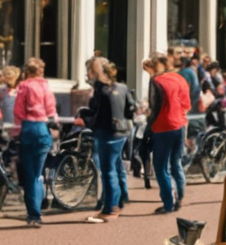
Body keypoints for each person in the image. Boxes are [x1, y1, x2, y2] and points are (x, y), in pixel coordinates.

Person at [82, 58, 135, 222]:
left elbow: (96, 112)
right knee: (116, 167)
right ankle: (114, 203)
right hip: (122, 132)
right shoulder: (123, 87)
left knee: (108, 171)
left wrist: (86, 119)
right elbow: (131, 109)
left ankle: (111, 208)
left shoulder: (101, 90)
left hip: (107, 133)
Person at [12, 58, 57, 227]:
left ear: (27, 71)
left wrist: (16, 132)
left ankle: (34, 215)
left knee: (30, 176)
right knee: (38, 174)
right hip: (44, 130)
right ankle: (37, 211)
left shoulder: (24, 86)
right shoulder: (46, 86)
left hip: (29, 129)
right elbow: (51, 110)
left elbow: (18, 112)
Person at [145, 55, 192, 213]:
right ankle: (180, 195)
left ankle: (168, 203)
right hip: (179, 125)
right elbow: (186, 105)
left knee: (160, 167)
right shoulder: (180, 79)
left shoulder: (156, 81)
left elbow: (153, 105)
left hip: (162, 126)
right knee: (176, 162)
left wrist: (149, 120)